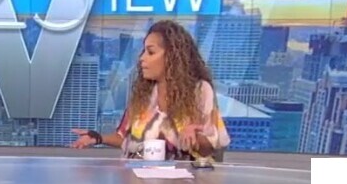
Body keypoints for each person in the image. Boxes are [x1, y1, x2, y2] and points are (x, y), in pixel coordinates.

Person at [72, 19, 230, 160]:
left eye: (151, 52)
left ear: (172, 56)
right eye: (144, 51)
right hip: (135, 178)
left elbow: (213, 145)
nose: (142, 58)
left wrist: (196, 137)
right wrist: (98, 138)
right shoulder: (143, 95)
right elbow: (126, 138)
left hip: (181, 180)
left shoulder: (199, 91)